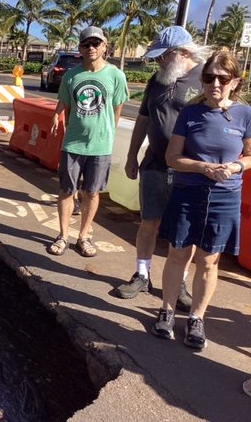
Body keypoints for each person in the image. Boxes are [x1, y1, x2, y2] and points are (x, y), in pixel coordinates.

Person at [150, 51, 251, 349]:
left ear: (235, 82)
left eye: (223, 78)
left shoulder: (245, 115)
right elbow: (172, 157)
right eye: (209, 77)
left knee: (208, 261)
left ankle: (196, 318)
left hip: (225, 196)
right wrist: (202, 167)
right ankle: (166, 310)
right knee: (178, 254)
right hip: (188, 192)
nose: (215, 84)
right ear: (202, 80)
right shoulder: (190, 113)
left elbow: (249, 156)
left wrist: (235, 167)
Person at [115, 26, 212, 310]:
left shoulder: (207, 78)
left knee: (184, 232)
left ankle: (178, 281)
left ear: (182, 53)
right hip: (155, 165)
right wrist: (133, 155)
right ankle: (142, 274)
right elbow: (144, 120)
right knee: (149, 223)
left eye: (162, 57)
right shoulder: (157, 80)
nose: (158, 62)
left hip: (188, 170)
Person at [47, 26, 129, 257]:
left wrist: (107, 134)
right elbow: (66, 104)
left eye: (96, 43)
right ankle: (63, 235)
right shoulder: (72, 76)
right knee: (66, 190)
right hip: (73, 144)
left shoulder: (116, 75)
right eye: (86, 44)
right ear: (80, 48)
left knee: (92, 192)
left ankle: (83, 236)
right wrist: (58, 115)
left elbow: (117, 110)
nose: (91, 48)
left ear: (105, 46)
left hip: (100, 146)